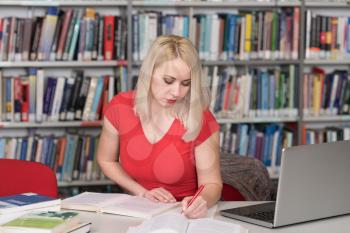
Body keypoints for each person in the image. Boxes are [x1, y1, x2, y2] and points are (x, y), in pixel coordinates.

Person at [97, 35, 222, 219]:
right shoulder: (120, 108)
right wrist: (141, 192)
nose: (177, 92)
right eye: (168, 80)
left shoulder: (200, 118)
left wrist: (201, 200)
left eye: (186, 84)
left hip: (183, 215)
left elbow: (212, 184)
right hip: (136, 213)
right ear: (149, 73)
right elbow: (107, 161)